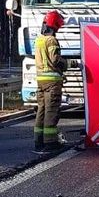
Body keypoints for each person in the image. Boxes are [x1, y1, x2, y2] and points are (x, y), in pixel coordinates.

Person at [33, 10, 68, 152]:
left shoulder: (39, 39)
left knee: (41, 110)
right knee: (52, 111)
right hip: (52, 82)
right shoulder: (51, 40)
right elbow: (55, 59)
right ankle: (50, 143)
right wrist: (68, 64)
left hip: (40, 81)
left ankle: (38, 141)